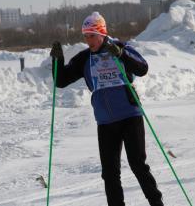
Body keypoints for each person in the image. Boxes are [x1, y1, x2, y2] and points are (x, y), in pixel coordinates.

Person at [50, 11, 164, 206]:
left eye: (92, 35)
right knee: (110, 172)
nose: (89, 40)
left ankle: (156, 203)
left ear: (102, 33)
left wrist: (122, 54)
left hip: (129, 116)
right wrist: (57, 61)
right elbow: (61, 81)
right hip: (105, 121)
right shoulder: (84, 58)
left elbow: (142, 68)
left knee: (138, 165)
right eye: (85, 36)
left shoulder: (119, 48)